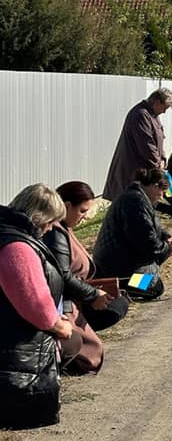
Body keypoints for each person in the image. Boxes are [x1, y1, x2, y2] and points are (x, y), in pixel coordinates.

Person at [0, 184, 72, 430]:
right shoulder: (18, 248)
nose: (51, 228)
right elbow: (35, 304)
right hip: (16, 353)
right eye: (51, 221)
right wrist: (59, 326)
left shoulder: (6, 233)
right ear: (38, 217)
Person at [43, 181, 126, 375]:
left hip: (78, 293)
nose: (85, 217)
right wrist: (92, 295)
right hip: (67, 301)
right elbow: (63, 276)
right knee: (90, 355)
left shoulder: (64, 228)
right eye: (82, 211)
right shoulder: (55, 233)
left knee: (119, 302)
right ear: (66, 205)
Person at [92, 169, 172, 300]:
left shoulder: (136, 197)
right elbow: (147, 243)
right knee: (155, 286)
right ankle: (122, 286)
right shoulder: (136, 203)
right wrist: (168, 248)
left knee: (153, 280)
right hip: (117, 267)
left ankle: (123, 283)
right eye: (162, 192)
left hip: (116, 261)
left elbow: (152, 229)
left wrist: (168, 238)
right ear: (155, 186)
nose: (162, 196)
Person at [103, 88, 172, 201]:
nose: (164, 111)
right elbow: (146, 145)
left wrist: (162, 158)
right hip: (133, 169)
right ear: (157, 102)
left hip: (146, 168)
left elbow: (159, 140)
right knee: (131, 202)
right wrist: (158, 164)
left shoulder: (152, 115)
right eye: (165, 107)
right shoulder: (141, 114)